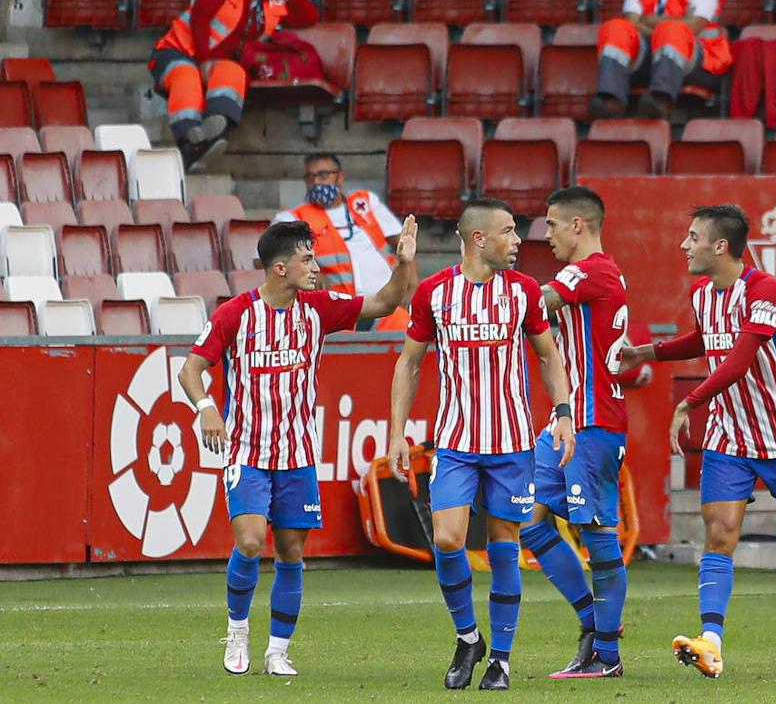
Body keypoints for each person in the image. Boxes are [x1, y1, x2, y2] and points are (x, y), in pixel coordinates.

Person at [620, 205, 776, 680]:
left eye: (692, 237)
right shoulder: (701, 293)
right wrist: (647, 351)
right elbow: (706, 340)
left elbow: (741, 357)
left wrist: (689, 401)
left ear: (720, 246)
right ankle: (711, 641)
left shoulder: (765, 290)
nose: (683, 246)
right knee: (719, 532)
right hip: (728, 434)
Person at [177, 216, 418, 677]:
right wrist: (206, 407)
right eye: (307, 258)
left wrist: (403, 263)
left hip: (297, 456)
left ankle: (278, 651)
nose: (316, 265)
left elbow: (387, 300)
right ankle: (237, 631)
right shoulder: (235, 314)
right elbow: (190, 370)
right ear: (279, 268)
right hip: (247, 451)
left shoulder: (320, 308)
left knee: (291, 552)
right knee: (249, 543)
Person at [386, 198, 577, 692]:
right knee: (448, 539)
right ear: (478, 239)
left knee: (504, 548)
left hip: (512, 444)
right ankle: (469, 637)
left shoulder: (524, 292)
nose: (517, 242)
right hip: (455, 442)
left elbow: (548, 356)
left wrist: (563, 413)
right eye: (509, 232)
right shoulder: (435, 293)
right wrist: (396, 432)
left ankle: (503, 662)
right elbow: (408, 364)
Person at [518, 188, 630, 680]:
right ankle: (594, 625)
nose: (547, 235)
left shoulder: (588, 271)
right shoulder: (600, 274)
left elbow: (534, 303)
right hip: (566, 422)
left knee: (598, 533)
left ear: (579, 225)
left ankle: (607, 656)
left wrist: (480, 285)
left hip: (592, 423)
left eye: (552, 225)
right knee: (532, 523)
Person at [149, 0, 317, 169]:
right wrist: (204, 60)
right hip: (176, 51)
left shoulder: (273, 2)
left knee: (234, 72)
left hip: (221, 62)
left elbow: (309, 15)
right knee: (186, 77)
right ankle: (189, 141)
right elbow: (201, 19)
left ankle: (213, 126)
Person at [589, 0, 733, 122]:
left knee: (673, 31)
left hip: (699, 61)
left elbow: (695, 25)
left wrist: (651, 22)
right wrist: (661, 31)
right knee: (616, 28)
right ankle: (610, 100)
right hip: (651, 58)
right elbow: (631, 20)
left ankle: (661, 100)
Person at [274, 153, 411, 332]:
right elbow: (266, 256)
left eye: (323, 175)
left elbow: (404, 241)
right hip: (339, 311)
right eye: (310, 177)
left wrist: (412, 285)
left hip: (388, 305)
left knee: (407, 337)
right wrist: (308, 271)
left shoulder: (366, 202)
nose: (316, 182)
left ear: (340, 177)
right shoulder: (293, 217)